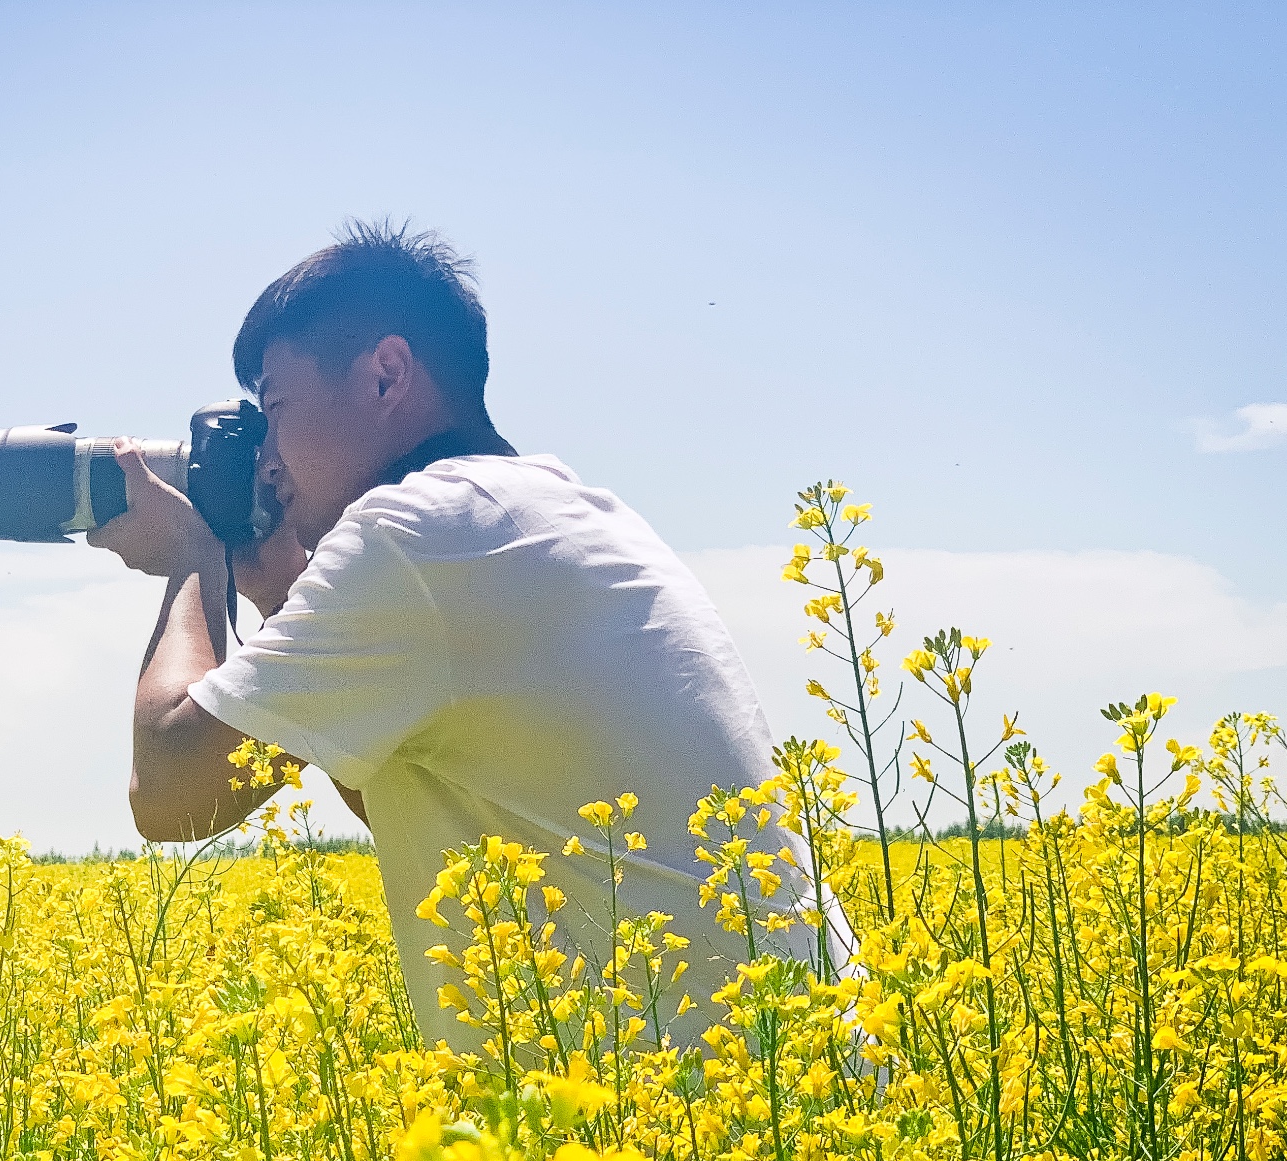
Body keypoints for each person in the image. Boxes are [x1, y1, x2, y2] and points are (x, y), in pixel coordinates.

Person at [89, 222, 835, 1052]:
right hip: (784, 1086)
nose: (263, 456)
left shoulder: (414, 533)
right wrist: (282, 601)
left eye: (275, 407)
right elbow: (418, 799)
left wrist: (194, 559)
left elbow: (167, 796)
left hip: (693, 1121)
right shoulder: (553, 509)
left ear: (386, 375)